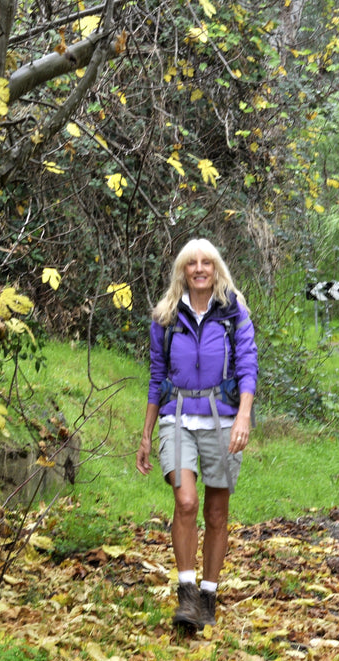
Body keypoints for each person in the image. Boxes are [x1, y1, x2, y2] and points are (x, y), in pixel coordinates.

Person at [136, 238, 258, 632]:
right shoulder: (166, 317)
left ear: (217, 269)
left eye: (207, 262)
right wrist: (145, 435)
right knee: (186, 502)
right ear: (183, 271)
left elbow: (248, 367)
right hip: (177, 418)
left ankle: (208, 596)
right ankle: (186, 593)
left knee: (216, 513)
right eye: (192, 263)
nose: (200, 269)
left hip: (223, 421)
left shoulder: (234, 313)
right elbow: (156, 377)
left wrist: (243, 417)